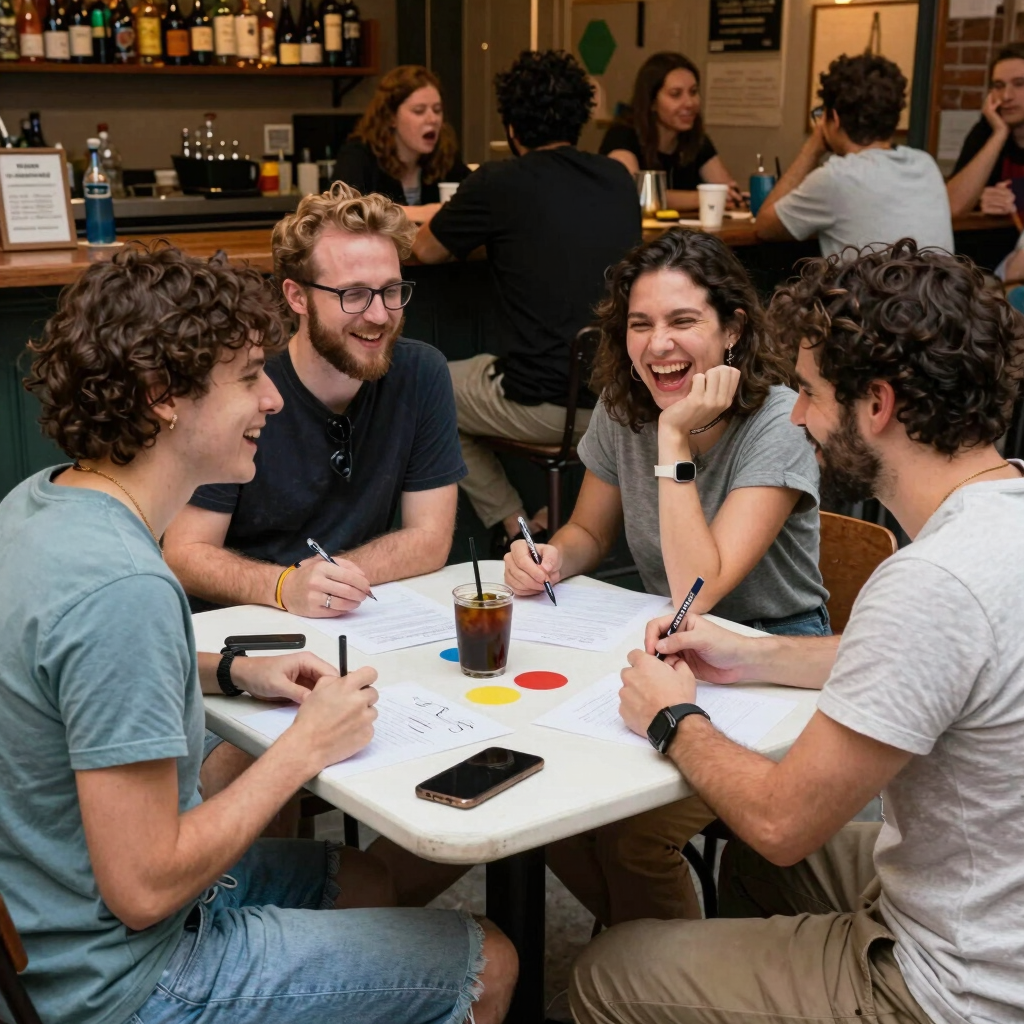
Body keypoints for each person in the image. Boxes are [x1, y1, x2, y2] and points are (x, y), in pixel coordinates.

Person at [0, 244, 517, 1024]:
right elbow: (142, 888)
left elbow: (75, 675)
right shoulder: (125, 588)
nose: (271, 400)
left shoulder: (38, 505)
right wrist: (305, 746)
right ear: (161, 397)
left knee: (365, 883)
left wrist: (235, 671)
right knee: (494, 963)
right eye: (247, 377)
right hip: (122, 977)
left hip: (44, 914)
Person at [570, 239, 1024, 1024]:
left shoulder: (930, 583)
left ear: (876, 406)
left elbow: (781, 821)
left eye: (810, 391)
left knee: (605, 970)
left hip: (956, 984)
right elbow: (931, 658)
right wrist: (757, 652)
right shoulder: (995, 525)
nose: (801, 413)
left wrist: (673, 717)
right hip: (985, 897)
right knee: (752, 873)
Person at [506, 227, 829, 927]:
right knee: (540, 802)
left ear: (734, 329)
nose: (658, 346)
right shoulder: (627, 408)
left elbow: (698, 589)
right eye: (640, 324)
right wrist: (553, 557)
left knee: (631, 837)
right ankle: (638, 964)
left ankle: (663, 978)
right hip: (670, 651)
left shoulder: (780, 421)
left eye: (683, 322)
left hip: (774, 662)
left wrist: (675, 438)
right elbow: (589, 531)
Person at [164, 182, 466, 621]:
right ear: (296, 296)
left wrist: (328, 584)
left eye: (391, 290)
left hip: (356, 618)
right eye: (354, 294)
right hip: (243, 625)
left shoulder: (421, 373)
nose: (379, 315)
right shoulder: (242, 385)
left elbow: (430, 538)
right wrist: (286, 586)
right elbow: (185, 552)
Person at [413, 49, 642, 547]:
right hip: (619, 399)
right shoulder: (618, 179)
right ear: (580, 118)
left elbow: (425, 250)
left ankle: (514, 527)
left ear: (512, 128)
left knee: (422, 383)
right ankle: (528, 524)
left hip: (547, 403)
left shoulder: (499, 181)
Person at [756, 53, 954, 257]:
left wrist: (813, 147)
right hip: (934, 288)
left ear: (834, 118)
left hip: (869, 290)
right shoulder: (925, 165)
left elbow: (764, 228)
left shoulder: (836, 178)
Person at [599, 51, 741, 212]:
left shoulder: (696, 140)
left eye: (693, 92)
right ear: (651, 102)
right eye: (676, 94)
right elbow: (637, 194)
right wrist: (706, 197)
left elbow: (725, 190)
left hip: (685, 236)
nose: (689, 103)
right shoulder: (622, 135)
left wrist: (732, 196)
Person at [336, 64, 471, 224]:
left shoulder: (444, 155)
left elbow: (479, 200)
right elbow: (343, 210)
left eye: (437, 110)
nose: (433, 119)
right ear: (391, 117)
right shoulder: (359, 154)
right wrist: (419, 213)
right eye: (419, 111)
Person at [948, 43, 1024, 218]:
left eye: (1019, 84)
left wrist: (1014, 195)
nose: (1006, 96)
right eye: (998, 86)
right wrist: (999, 135)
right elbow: (952, 206)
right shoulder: (988, 129)